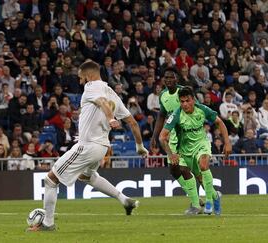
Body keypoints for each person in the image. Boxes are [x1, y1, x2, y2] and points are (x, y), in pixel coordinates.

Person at [28, 61, 148, 232]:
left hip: (88, 146)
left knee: (51, 179)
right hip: (101, 147)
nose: (81, 81)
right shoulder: (113, 93)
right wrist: (140, 146)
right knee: (87, 176)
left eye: (81, 78)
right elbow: (133, 123)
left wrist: (110, 118)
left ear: (89, 75)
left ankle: (47, 224)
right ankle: (124, 200)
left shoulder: (92, 86)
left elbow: (102, 103)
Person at [159, 87, 232, 215]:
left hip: (201, 144)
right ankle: (213, 197)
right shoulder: (176, 115)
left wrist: (227, 143)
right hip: (185, 149)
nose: (185, 104)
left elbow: (220, 123)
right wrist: (171, 154)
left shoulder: (202, 109)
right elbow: (162, 137)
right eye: (182, 101)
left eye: (187, 101)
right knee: (194, 176)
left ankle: (208, 202)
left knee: (204, 165)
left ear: (193, 100)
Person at [150, 67, 204, 210]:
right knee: (174, 169)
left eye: (171, 77)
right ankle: (199, 198)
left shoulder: (184, 92)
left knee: (185, 168)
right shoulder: (163, 95)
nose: (168, 80)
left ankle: (197, 203)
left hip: (187, 134)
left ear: (177, 79)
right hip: (173, 135)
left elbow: (198, 110)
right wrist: (155, 136)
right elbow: (161, 116)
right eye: (166, 77)